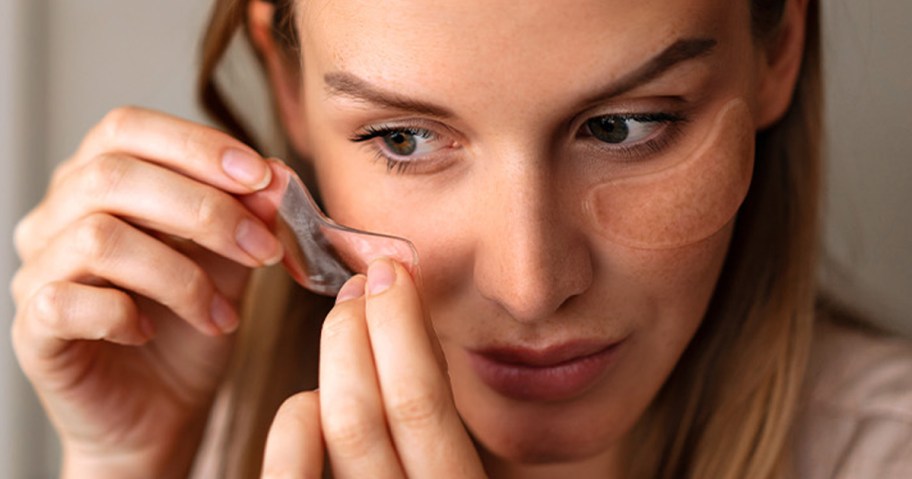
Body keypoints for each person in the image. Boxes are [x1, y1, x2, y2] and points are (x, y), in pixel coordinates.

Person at [10, 0, 912, 477]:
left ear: (779, 48)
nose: (529, 285)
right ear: (288, 86)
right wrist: (128, 467)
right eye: (402, 139)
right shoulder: (216, 428)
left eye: (624, 126)